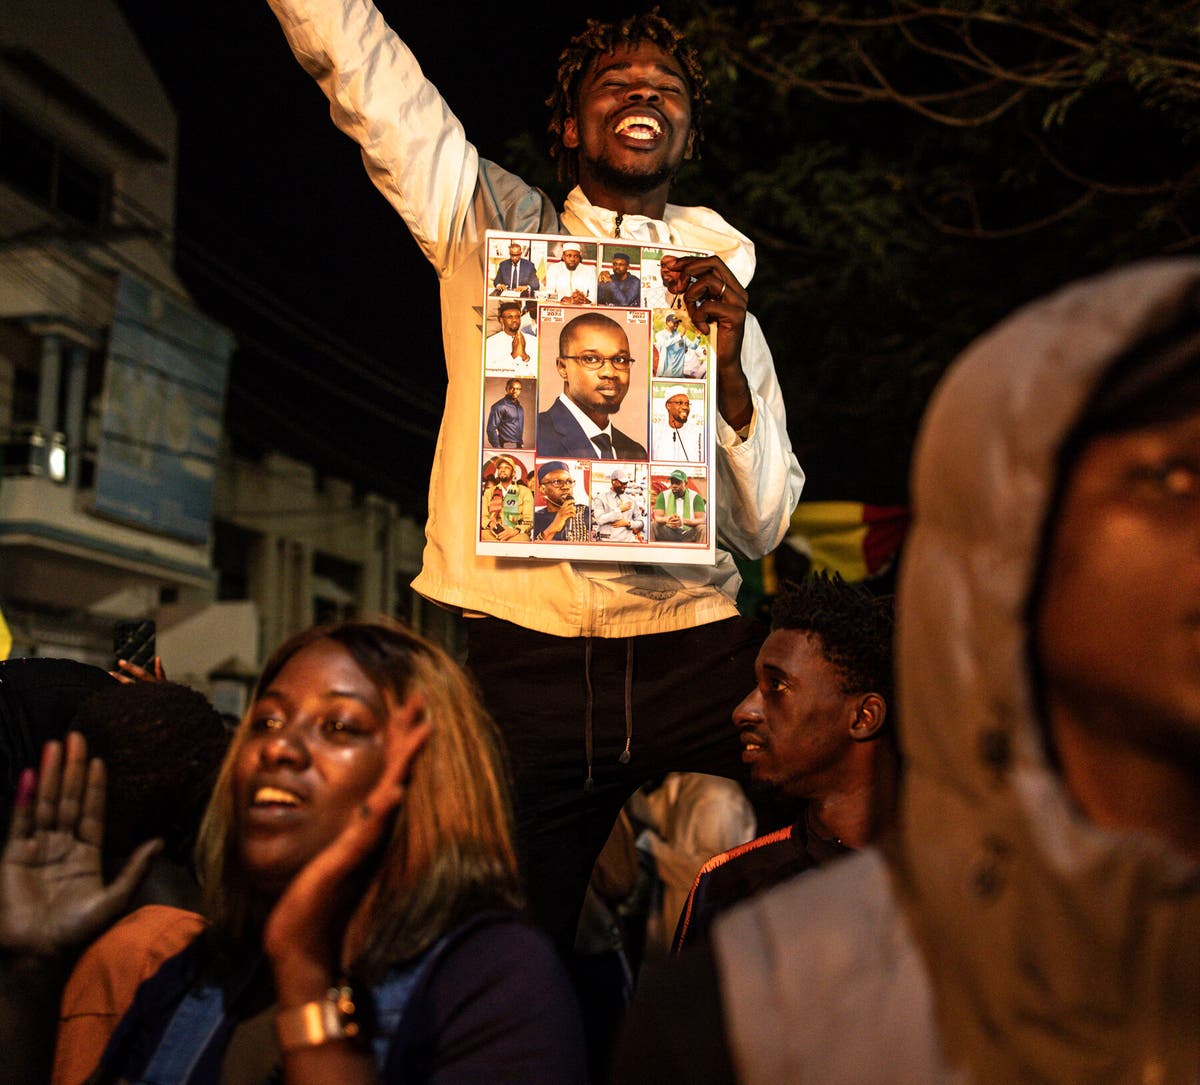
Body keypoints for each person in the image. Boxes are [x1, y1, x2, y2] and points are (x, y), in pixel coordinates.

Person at [264, 1, 803, 951]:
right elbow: (374, 83)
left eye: (666, 90)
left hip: (691, 642)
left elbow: (763, 528)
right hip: (530, 655)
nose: (645, 96)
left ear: (688, 134)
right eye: (618, 86)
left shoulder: (717, 293)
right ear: (571, 126)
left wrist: (727, 380)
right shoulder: (490, 233)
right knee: (491, 934)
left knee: (850, 790)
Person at [616, 261, 1200, 1083]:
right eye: (1174, 480)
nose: (747, 709)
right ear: (1014, 542)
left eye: (778, 685)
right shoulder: (755, 992)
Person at [1, 620, 586, 1085]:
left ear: (426, 773)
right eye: (269, 719)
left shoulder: (492, 977)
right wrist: (31, 973)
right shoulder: (201, 972)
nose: (280, 746)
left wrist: (305, 976)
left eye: (338, 726)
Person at [671, 574, 896, 955]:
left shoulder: (960, 885)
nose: (744, 710)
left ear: (863, 717)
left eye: (777, 686)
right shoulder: (729, 887)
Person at [537, 311, 648, 459]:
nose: (609, 372)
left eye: (620, 360)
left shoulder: (636, 452)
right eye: (591, 359)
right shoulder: (537, 435)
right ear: (563, 368)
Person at [533, 461, 591, 542]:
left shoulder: (586, 512)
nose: (566, 486)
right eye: (557, 482)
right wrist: (553, 527)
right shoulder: (536, 518)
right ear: (543, 489)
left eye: (569, 482)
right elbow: (533, 550)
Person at [481, 456, 533, 542]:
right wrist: (491, 523)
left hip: (515, 534)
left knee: (524, 539)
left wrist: (514, 530)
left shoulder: (525, 492)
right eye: (500, 468)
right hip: (493, 533)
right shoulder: (489, 492)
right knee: (481, 535)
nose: (502, 470)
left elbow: (529, 520)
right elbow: (483, 517)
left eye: (507, 468)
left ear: (513, 473)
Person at [592, 467, 645, 542]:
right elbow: (599, 520)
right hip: (606, 542)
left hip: (627, 543)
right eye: (622, 483)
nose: (624, 486)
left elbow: (641, 523)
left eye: (626, 483)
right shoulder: (600, 498)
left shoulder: (631, 500)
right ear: (613, 481)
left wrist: (628, 523)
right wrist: (619, 509)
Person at [652, 469, 706, 543]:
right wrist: (667, 519)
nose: (674, 486)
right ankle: (652, 553)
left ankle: (702, 554)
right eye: (672, 482)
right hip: (668, 531)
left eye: (677, 483)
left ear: (685, 483)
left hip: (688, 532)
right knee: (653, 525)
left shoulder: (696, 497)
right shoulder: (663, 495)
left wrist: (683, 521)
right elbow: (657, 517)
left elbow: (701, 519)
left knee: (703, 528)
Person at [652, 385, 704, 462]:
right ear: (668, 406)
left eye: (687, 404)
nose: (685, 407)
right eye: (680, 403)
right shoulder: (656, 433)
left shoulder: (698, 433)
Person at [484, 302, 535, 376]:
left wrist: (525, 357)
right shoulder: (490, 343)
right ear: (501, 320)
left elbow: (539, 372)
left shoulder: (533, 341)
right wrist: (512, 356)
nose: (514, 320)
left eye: (517, 316)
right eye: (510, 317)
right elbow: (489, 373)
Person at [654, 313, 700, 378]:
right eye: (674, 322)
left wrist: (697, 338)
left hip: (678, 375)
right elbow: (665, 344)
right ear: (667, 323)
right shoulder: (660, 335)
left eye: (677, 323)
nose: (676, 325)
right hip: (664, 375)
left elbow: (693, 346)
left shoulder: (681, 336)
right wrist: (680, 336)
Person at [486, 378, 527, 449]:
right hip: (506, 445)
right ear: (506, 389)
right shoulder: (500, 406)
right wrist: (498, 448)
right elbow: (491, 429)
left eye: (518, 389)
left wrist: (521, 443)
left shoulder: (520, 408)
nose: (515, 391)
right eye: (512, 388)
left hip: (519, 446)